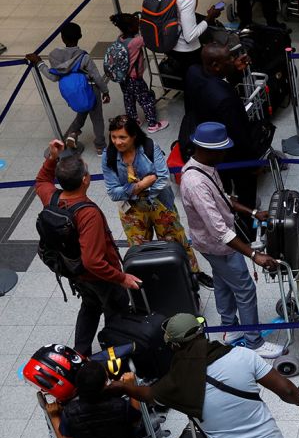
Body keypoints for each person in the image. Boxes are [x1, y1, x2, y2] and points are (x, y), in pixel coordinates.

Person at [110, 313, 299, 438]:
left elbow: (148, 395)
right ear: (202, 332)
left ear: (174, 347)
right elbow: (287, 391)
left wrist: (124, 387)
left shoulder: (174, 384)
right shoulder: (241, 355)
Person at [179, 122, 283, 359]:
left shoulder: (204, 166)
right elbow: (220, 231)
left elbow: (224, 198)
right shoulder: (195, 184)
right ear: (210, 150)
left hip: (210, 244)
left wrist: (253, 212)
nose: (226, 153)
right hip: (218, 246)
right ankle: (254, 342)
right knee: (245, 289)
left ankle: (230, 329)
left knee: (223, 282)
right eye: (222, 149)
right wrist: (255, 255)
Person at [35, 140, 142, 356]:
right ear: (85, 180)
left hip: (73, 271)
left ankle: (80, 353)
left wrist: (52, 157)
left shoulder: (52, 198)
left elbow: (41, 180)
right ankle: (115, 357)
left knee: (90, 306)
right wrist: (121, 278)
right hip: (102, 278)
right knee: (116, 313)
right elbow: (93, 260)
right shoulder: (87, 214)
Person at [102, 115, 211, 288]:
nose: (117, 142)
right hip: (131, 209)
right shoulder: (108, 156)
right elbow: (113, 193)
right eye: (114, 137)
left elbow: (162, 179)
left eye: (122, 137)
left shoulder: (149, 147)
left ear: (134, 136)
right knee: (138, 247)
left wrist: (135, 190)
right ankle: (149, 281)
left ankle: (193, 274)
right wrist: (140, 186)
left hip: (159, 202)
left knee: (175, 239)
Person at [179, 44, 260, 239]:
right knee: (245, 189)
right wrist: (253, 162)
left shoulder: (194, 72)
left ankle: (225, 215)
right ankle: (246, 231)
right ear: (215, 65)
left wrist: (233, 72)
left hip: (205, 145)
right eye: (229, 60)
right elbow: (239, 133)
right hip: (231, 154)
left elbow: (213, 84)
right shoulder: (224, 98)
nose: (233, 61)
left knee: (219, 188)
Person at [27, 22, 110, 154]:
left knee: (83, 110)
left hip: (72, 92)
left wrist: (39, 62)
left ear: (62, 38)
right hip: (90, 89)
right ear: (80, 36)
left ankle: (73, 133)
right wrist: (105, 91)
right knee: (97, 118)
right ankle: (100, 146)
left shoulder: (54, 55)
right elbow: (97, 77)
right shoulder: (84, 57)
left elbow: (53, 77)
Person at [107, 13, 168, 133]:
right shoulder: (137, 41)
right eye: (137, 24)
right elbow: (151, 41)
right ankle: (153, 124)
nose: (138, 25)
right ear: (131, 28)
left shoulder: (120, 38)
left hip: (123, 79)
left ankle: (133, 121)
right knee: (146, 100)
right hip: (135, 79)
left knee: (129, 99)